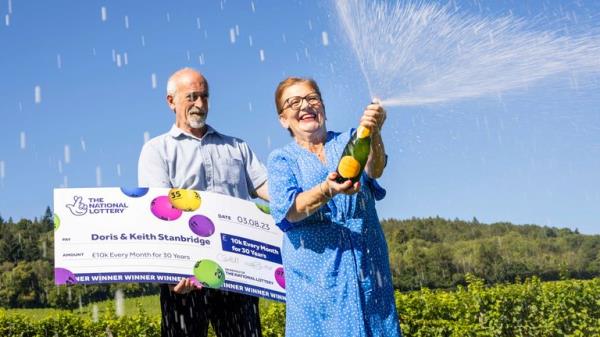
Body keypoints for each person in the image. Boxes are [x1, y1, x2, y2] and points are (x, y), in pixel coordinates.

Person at [267, 77, 402, 337]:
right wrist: (327, 190)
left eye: (312, 98)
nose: (305, 105)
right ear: (284, 119)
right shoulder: (282, 159)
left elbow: (375, 169)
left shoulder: (351, 139)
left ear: (323, 107)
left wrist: (374, 132)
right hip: (317, 277)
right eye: (293, 102)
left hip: (367, 263)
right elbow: (289, 211)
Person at [138, 67, 268, 337]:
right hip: (184, 277)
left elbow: (270, 190)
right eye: (191, 97)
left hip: (236, 273)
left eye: (204, 96)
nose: (199, 104)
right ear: (171, 101)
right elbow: (159, 213)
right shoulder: (156, 150)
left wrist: (314, 196)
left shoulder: (237, 147)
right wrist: (172, 271)